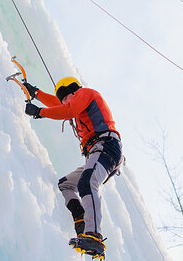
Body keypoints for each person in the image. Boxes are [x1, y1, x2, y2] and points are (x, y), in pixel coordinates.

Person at [23, 77, 123, 248]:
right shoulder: (75, 101)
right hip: (98, 152)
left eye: (65, 98)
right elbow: (58, 105)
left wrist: (40, 112)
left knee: (87, 183)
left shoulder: (85, 93)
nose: (63, 102)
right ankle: (81, 220)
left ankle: (94, 236)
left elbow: (68, 109)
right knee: (65, 185)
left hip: (106, 146)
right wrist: (36, 93)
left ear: (72, 91)